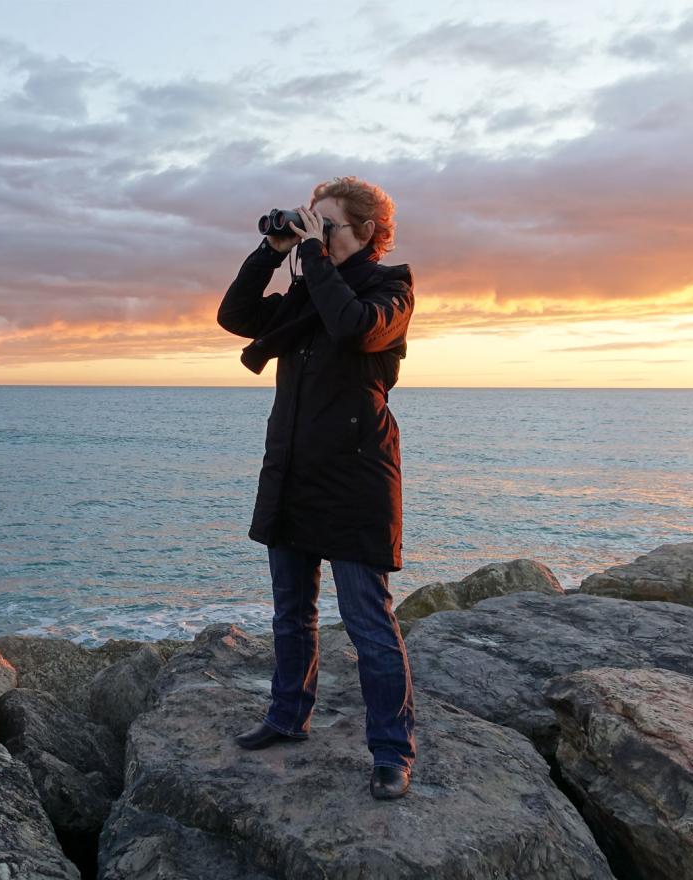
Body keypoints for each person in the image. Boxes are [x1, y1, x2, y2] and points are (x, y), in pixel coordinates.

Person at [215, 176, 416, 800]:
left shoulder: (391, 291)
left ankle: (391, 751)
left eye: (326, 225)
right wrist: (274, 250)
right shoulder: (307, 291)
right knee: (291, 614)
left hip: (356, 480)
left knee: (367, 622)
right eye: (311, 222)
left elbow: (354, 328)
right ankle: (286, 717)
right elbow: (235, 316)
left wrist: (312, 259)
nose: (315, 234)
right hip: (294, 472)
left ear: (366, 232)